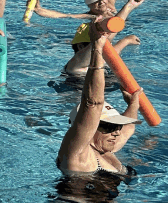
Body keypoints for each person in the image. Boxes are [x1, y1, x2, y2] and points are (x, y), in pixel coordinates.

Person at [56, 28, 140, 178]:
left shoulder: (108, 146)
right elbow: (93, 104)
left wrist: (133, 104)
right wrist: (97, 49)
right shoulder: (77, 155)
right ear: (89, 126)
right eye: (108, 126)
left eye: (117, 126)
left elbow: (128, 128)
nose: (116, 132)